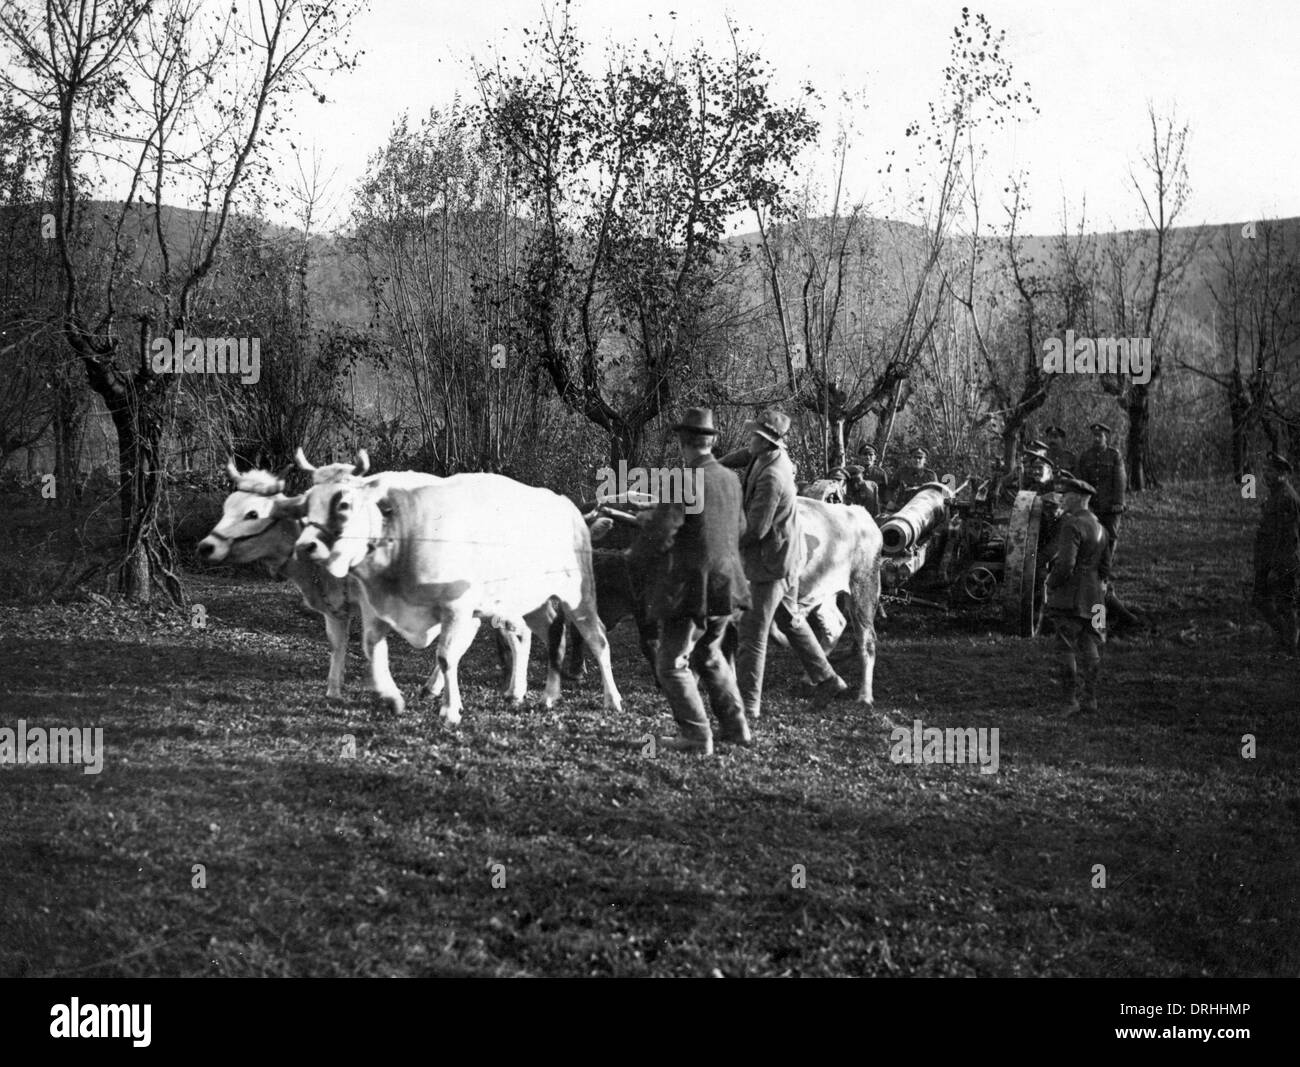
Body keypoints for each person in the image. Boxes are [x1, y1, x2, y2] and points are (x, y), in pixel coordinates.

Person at [630, 408, 753, 755]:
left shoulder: (682, 480)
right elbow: (740, 528)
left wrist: (636, 550)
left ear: (682, 443)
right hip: (727, 585)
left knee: (671, 664)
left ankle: (697, 736)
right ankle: (737, 728)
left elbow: (661, 534)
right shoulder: (730, 479)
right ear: (711, 442)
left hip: (691, 590)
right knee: (710, 655)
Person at [719, 409, 849, 719]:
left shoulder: (773, 476)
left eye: (754, 435)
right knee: (791, 620)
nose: (749, 439)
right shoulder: (764, 455)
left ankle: (748, 707)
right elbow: (744, 455)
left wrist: (723, 539)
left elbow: (756, 529)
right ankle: (828, 680)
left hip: (773, 563)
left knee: (751, 634)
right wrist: (715, 463)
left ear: (767, 442)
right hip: (786, 555)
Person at [1044, 477, 1111, 717]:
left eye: (1067, 495)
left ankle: (1069, 701)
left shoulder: (1071, 525)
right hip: (1095, 598)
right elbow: (1105, 568)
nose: (1063, 499)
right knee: (1091, 645)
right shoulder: (1101, 528)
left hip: (1071, 597)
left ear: (1080, 498)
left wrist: (1050, 584)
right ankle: (1090, 699)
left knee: (1065, 647)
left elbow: (1065, 565)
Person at [1075, 421, 1141, 630]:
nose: (1096, 439)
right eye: (1094, 435)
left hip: (1110, 508)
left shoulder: (1114, 456)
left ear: (1106, 437)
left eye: (1100, 436)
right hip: (1093, 508)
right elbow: (1081, 482)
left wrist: (1118, 503)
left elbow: (1120, 481)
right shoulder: (1085, 457)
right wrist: (1084, 505)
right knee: (1091, 540)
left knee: (1109, 540)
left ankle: (1104, 572)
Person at [1254, 452, 1300, 656]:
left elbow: (1288, 538)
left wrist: (1275, 566)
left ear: (1283, 474)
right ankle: (1285, 639)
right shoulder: (1275, 495)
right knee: (1259, 599)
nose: (1266, 474)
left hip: (1283, 561)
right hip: (1268, 560)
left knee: (1285, 604)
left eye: (1271, 471)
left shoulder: (1287, 498)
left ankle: (1290, 647)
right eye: (1265, 470)